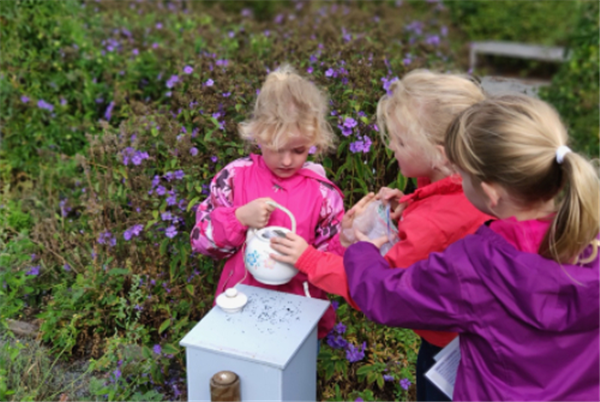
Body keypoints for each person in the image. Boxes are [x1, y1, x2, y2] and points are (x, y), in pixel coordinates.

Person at [344, 94, 600, 401]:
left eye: (461, 174)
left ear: (491, 193)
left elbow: (388, 297)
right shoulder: (590, 237)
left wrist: (363, 252)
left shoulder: (478, 266)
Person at [270, 69, 491, 401]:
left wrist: (310, 259)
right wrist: (412, 203)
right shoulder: (479, 185)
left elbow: (377, 290)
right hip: (470, 334)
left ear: (440, 154)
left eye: (401, 141)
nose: (391, 146)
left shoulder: (432, 223)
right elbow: (447, 217)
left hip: (453, 349)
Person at [190, 64, 346, 340]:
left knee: (292, 365)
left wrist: (340, 240)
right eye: (276, 148)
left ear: (313, 140)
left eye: (298, 150)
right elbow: (202, 240)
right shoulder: (235, 178)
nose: (286, 160)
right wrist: (238, 218)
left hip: (299, 311)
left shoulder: (323, 194)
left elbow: (334, 263)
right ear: (259, 135)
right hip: (240, 306)